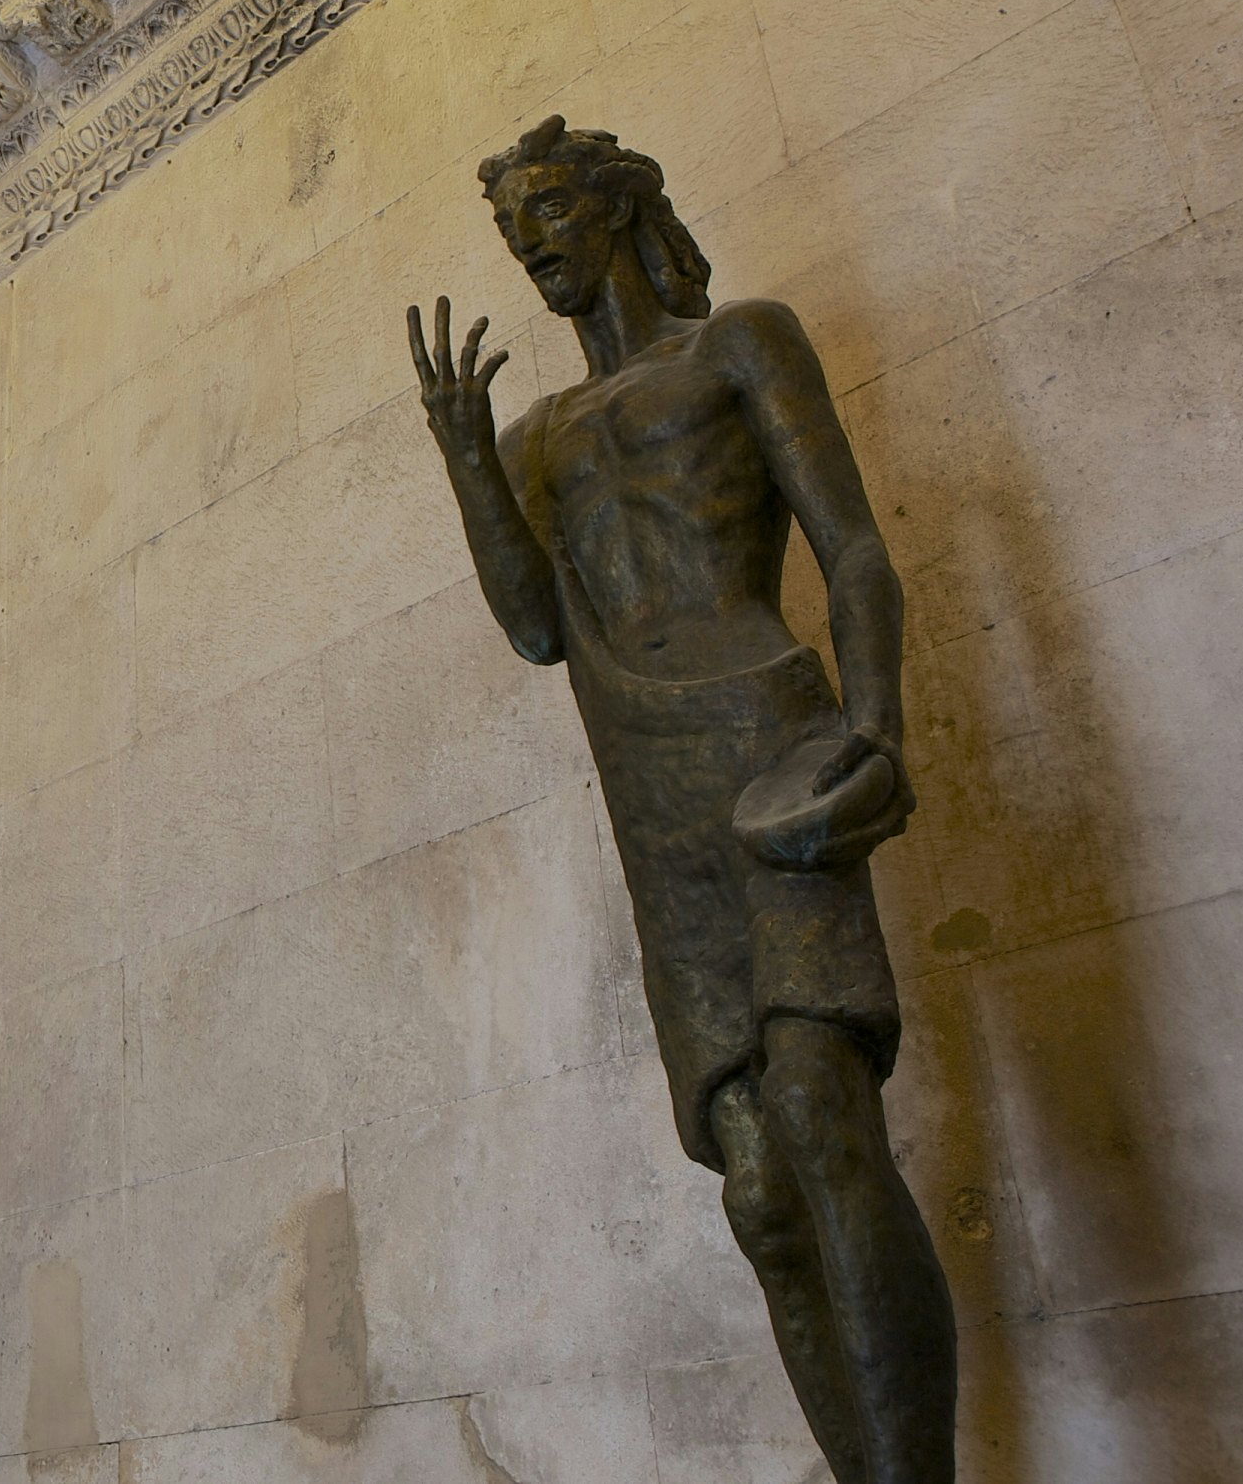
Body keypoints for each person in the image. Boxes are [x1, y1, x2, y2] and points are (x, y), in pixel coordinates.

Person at [405, 114, 956, 1483]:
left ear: (614, 207)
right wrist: (466, 454)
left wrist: (876, 731)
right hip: (651, 798)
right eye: (509, 226)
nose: (529, 241)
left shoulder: (739, 344)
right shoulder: (535, 436)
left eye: (544, 210)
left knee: (828, 1113)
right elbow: (538, 630)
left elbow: (859, 556)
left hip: (773, 746)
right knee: (762, 1191)